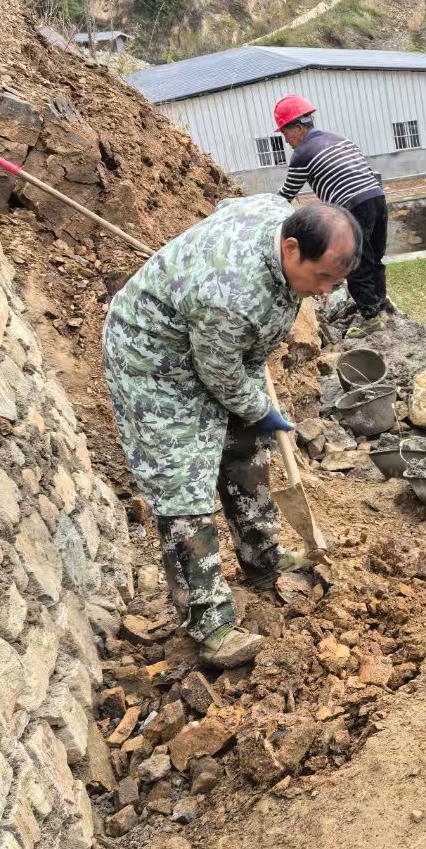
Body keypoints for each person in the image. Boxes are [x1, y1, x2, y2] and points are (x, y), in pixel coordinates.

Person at [103, 198, 360, 667]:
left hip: (211, 343)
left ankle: (262, 558)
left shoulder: (273, 210)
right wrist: (261, 409)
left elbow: (227, 205)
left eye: (334, 281)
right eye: (321, 277)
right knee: (182, 486)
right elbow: (219, 374)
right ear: (290, 247)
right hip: (152, 362)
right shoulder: (231, 296)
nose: (324, 292)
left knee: (244, 444)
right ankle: (210, 625)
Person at [273, 95, 390, 333]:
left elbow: (287, 194)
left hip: (352, 206)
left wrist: (267, 206)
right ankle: (380, 305)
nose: (286, 141)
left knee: (354, 263)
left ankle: (372, 319)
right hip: (377, 199)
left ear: (298, 128)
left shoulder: (302, 154)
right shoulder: (340, 139)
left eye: (285, 133)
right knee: (373, 258)